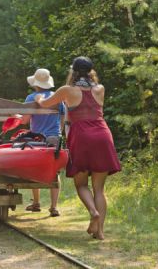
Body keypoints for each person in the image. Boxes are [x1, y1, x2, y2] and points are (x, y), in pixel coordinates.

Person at [35, 56, 121, 240]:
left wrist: (40, 97)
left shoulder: (67, 90)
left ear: (73, 71)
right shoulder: (100, 89)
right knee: (99, 189)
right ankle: (100, 232)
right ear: (91, 71)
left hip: (81, 137)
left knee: (81, 184)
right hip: (103, 135)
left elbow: (44, 104)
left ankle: (93, 212)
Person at [19, 68, 65, 217]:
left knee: (34, 169)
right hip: (54, 138)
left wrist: (16, 116)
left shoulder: (31, 98)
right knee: (54, 171)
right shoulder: (57, 98)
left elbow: (24, 120)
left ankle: (36, 203)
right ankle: (54, 207)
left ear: (36, 84)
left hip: (36, 139)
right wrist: (58, 133)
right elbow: (63, 119)